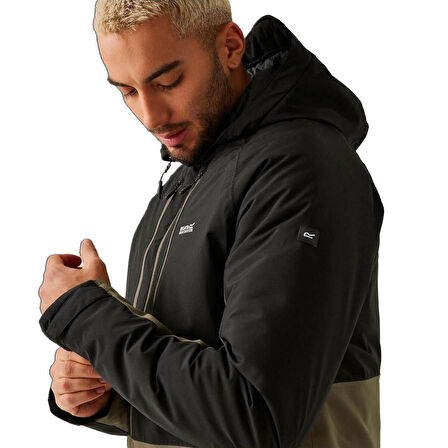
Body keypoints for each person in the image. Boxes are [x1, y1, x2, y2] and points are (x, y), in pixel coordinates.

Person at [38, 1, 384, 447]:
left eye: (167, 82)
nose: (151, 116)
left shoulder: (300, 169)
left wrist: (89, 317)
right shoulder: (185, 186)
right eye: (127, 91)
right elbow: (199, 401)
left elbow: (254, 418)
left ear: (231, 47)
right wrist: (102, 389)